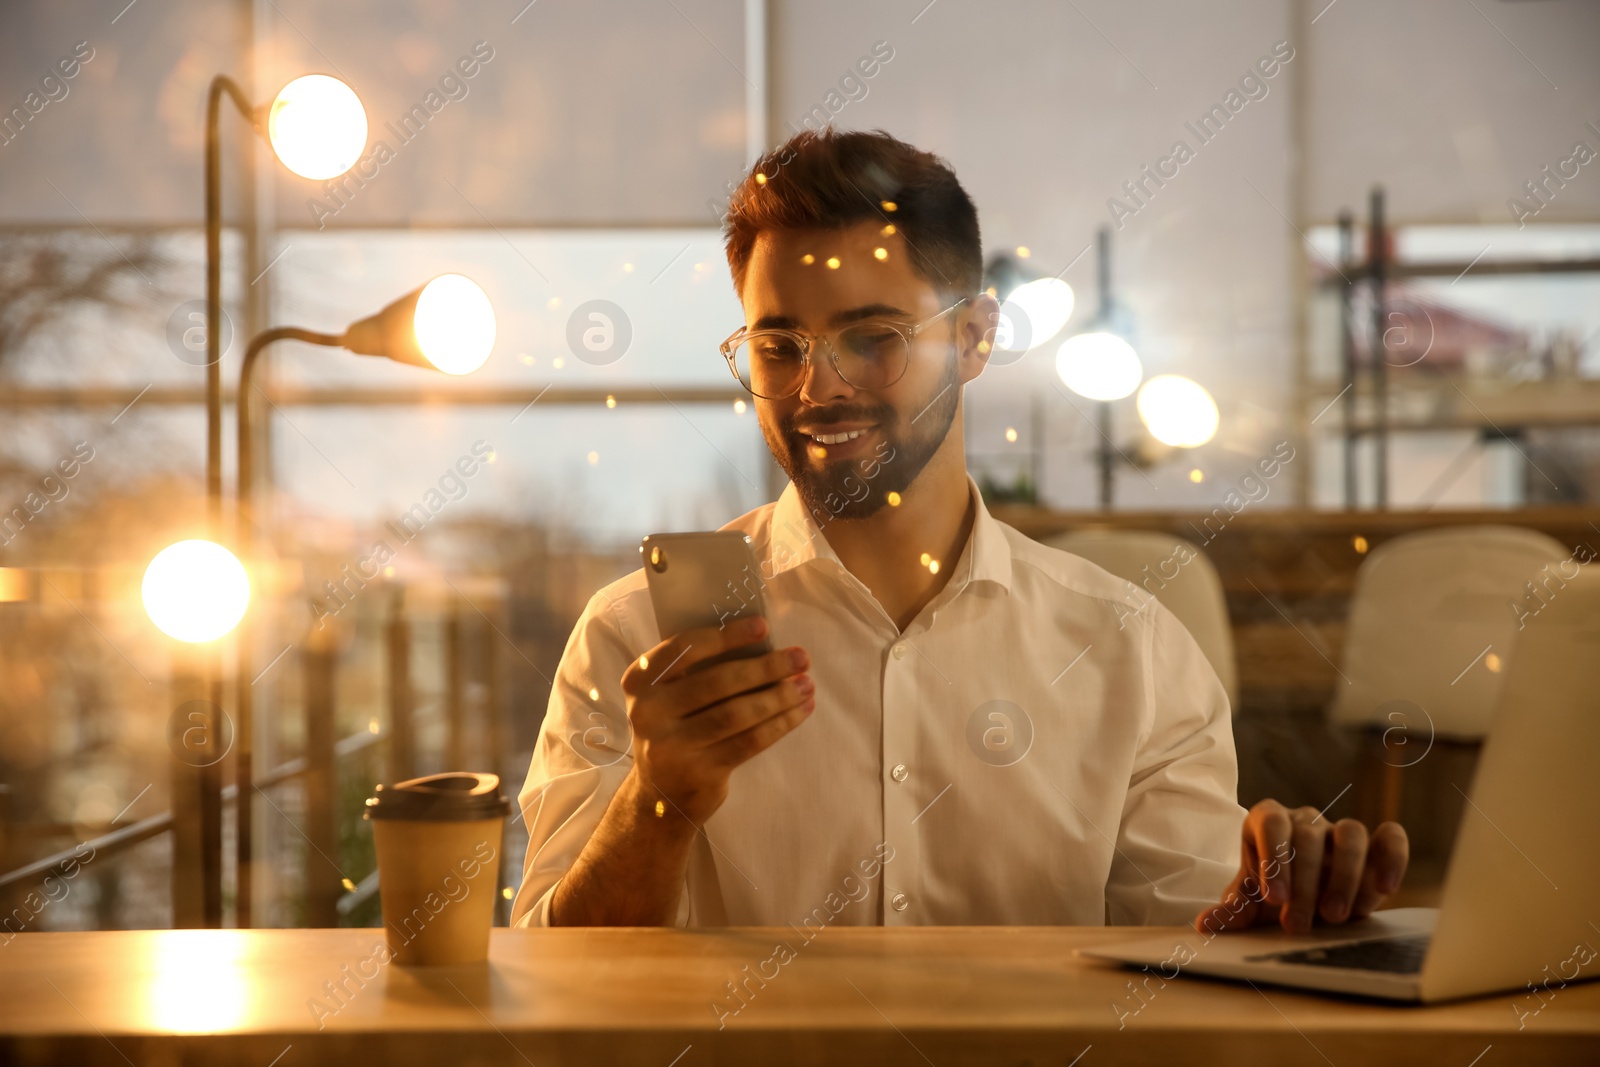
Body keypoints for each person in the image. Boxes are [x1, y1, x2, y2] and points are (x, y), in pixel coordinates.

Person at [510, 128, 1407, 934]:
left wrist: (1278, 911)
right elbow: (552, 988)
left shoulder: (1133, 654)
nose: (818, 389)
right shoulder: (636, 643)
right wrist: (657, 806)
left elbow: (1186, 971)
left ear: (976, 337)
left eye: (872, 339)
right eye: (780, 348)